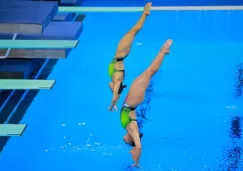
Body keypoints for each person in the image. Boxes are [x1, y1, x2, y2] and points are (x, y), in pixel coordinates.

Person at [120, 39, 173, 167]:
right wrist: (136, 162)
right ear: (131, 139)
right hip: (133, 101)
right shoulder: (132, 129)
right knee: (149, 72)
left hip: (131, 100)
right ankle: (164, 51)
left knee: (148, 73)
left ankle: (164, 51)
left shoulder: (129, 129)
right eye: (128, 142)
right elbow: (139, 146)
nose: (124, 141)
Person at [108, 2, 152, 112]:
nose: (110, 88)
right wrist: (111, 105)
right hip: (120, 54)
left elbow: (114, 93)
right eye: (113, 90)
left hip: (120, 54)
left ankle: (145, 13)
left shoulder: (114, 81)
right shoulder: (117, 81)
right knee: (133, 31)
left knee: (133, 32)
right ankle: (145, 14)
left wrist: (115, 101)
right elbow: (115, 95)